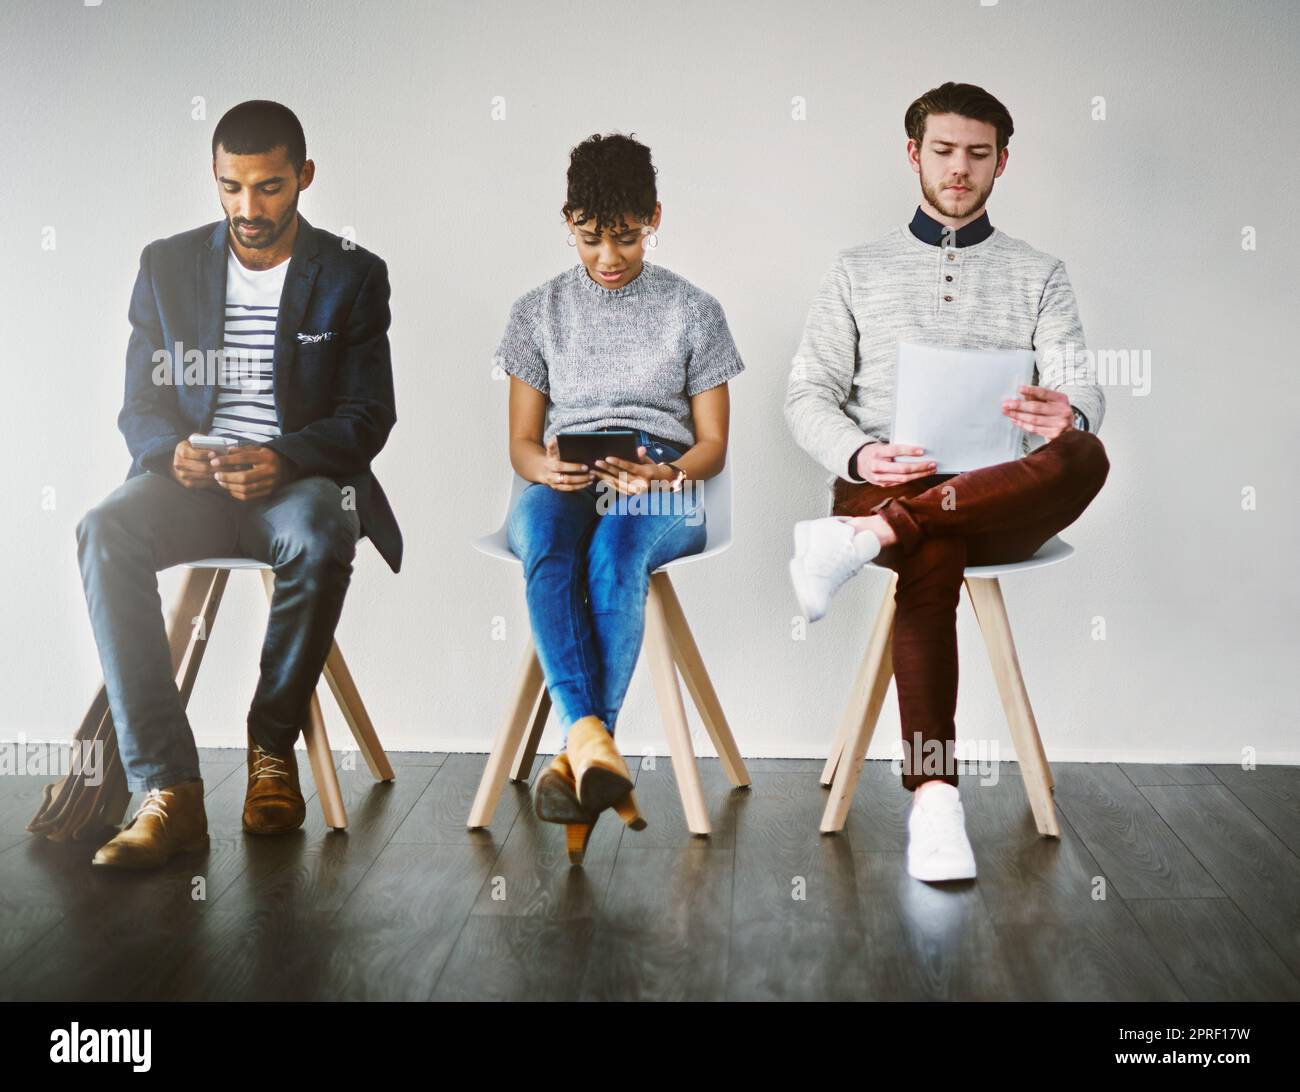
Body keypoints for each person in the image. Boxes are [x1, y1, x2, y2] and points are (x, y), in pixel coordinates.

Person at [784, 82, 1110, 883]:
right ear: (913, 155)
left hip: (1002, 487)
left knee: (1088, 451)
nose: (959, 169)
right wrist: (861, 457)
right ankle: (935, 800)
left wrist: (1066, 410)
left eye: (977, 153)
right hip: (886, 481)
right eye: (943, 151)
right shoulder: (857, 269)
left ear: (1003, 160)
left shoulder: (1040, 273)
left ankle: (871, 538)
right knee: (936, 554)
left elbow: (1083, 388)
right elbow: (806, 395)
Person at [75, 100, 401, 868]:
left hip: (297, 483)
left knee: (324, 530)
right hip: (192, 484)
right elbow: (141, 404)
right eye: (232, 188)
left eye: (269, 188)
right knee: (103, 528)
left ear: (304, 178)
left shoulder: (351, 274)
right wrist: (170, 452)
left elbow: (368, 415)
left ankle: (270, 750)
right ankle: (168, 788)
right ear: (215, 179)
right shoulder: (168, 265)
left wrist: (285, 457)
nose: (248, 210)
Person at [496, 132, 745, 864]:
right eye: (591, 238)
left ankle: (579, 745)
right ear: (567, 221)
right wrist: (544, 470)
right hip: (568, 468)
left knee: (618, 545)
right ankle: (594, 745)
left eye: (628, 238)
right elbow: (520, 443)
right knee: (542, 535)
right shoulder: (535, 312)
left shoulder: (694, 309)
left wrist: (664, 476)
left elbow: (713, 447)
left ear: (654, 218)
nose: (609, 257)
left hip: (663, 473)